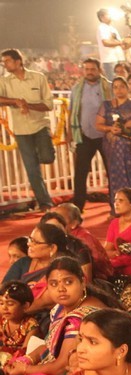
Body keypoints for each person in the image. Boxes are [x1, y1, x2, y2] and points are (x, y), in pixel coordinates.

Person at [4, 258, 107, 375]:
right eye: (54, 284)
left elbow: (62, 367)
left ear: (83, 281)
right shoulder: (60, 308)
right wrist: (25, 360)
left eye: (68, 282)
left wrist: (25, 370)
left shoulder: (81, 316)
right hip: (51, 368)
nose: (61, 289)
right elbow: (49, 344)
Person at [0, 49, 55, 210]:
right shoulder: (5, 81)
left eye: (8, 60)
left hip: (40, 126)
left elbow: (49, 104)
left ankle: (38, 156)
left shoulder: (38, 78)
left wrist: (27, 105)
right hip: (21, 130)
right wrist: (14, 101)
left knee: (47, 157)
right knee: (31, 169)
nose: (5, 64)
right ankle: (45, 202)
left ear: (18, 61)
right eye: (3, 61)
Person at [95, 76, 131, 197]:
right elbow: (98, 125)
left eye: (122, 86)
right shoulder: (106, 106)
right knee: (116, 175)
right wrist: (110, 128)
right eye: (115, 87)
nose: (118, 90)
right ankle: (116, 208)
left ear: (127, 88)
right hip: (113, 149)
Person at [69, 58, 111, 211]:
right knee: (80, 173)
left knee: (112, 171)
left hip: (106, 136)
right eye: (86, 69)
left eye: (92, 69)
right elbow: (72, 112)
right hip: (84, 136)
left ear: (99, 70)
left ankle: (115, 205)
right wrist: (70, 135)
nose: (89, 72)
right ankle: (77, 207)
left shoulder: (109, 87)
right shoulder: (76, 89)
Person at [2, 223, 66, 302]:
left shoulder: (62, 271)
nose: (29, 244)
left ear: (52, 248)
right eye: (30, 239)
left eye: (35, 242)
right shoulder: (23, 263)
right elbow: (3, 291)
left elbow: (43, 303)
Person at [0, 281, 38, 363]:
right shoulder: (2, 320)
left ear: (25, 306)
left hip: (19, 362)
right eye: (1, 303)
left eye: (10, 304)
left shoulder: (31, 326)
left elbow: (24, 352)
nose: (4, 308)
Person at [95, 9, 130, 79]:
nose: (111, 16)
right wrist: (120, 42)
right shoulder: (102, 28)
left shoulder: (112, 28)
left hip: (118, 59)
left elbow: (119, 42)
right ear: (102, 17)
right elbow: (105, 43)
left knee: (122, 81)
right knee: (113, 82)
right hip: (109, 60)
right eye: (108, 14)